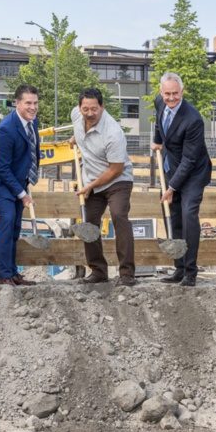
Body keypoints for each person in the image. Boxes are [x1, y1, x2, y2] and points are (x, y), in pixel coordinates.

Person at [71, 87, 136, 286]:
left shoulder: (113, 133)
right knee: (89, 223)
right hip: (92, 177)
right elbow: (79, 130)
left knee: (118, 216)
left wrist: (90, 185)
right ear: (80, 107)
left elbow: (115, 169)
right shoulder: (76, 115)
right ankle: (98, 271)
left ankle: (126, 273)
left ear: (102, 107)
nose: (89, 113)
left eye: (94, 109)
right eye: (85, 109)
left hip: (117, 180)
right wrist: (76, 138)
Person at [152, 72, 212, 287]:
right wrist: (157, 141)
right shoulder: (160, 101)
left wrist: (172, 187)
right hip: (171, 166)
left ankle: (190, 271)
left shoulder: (193, 119)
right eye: (167, 94)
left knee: (188, 215)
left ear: (182, 92)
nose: (171, 98)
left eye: (175, 94)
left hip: (193, 172)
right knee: (173, 215)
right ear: (161, 92)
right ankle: (178, 267)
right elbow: (159, 124)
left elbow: (189, 159)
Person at [0, 85, 41, 286]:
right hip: (2, 184)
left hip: (18, 180)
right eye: (28, 103)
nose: (32, 107)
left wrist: (28, 179)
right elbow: (1, 168)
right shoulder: (6, 129)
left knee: (16, 226)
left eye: (35, 103)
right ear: (17, 103)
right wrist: (21, 194)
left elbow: (32, 150)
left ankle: (13, 271)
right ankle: (4, 275)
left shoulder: (31, 123)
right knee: (7, 222)